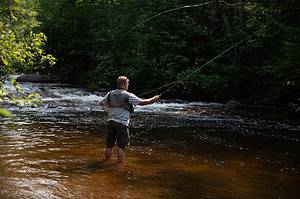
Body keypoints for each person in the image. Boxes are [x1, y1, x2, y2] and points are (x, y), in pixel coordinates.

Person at [100, 76, 160, 164]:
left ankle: (105, 162)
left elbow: (101, 103)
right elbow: (143, 103)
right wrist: (154, 99)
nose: (128, 85)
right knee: (121, 147)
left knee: (109, 145)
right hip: (122, 124)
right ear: (124, 84)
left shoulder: (110, 93)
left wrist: (110, 105)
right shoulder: (128, 95)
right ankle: (120, 165)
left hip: (110, 122)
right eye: (128, 83)